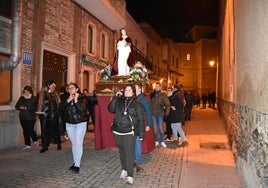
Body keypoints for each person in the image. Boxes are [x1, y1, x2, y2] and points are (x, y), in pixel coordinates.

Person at [108, 84, 145, 185]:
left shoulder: (136, 104)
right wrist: (115, 97)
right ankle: (124, 169)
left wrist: (141, 134)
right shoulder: (119, 100)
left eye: (129, 90)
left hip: (130, 131)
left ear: (133, 93)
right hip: (117, 130)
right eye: (126, 90)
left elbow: (141, 119)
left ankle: (130, 175)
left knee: (128, 153)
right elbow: (110, 109)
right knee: (122, 151)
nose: (127, 92)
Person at [60, 83, 88, 174]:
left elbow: (82, 110)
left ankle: (77, 165)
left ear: (76, 89)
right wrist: (68, 100)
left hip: (80, 123)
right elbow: (60, 108)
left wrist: (75, 101)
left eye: (72, 88)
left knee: (78, 143)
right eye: (69, 88)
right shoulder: (65, 98)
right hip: (69, 124)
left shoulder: (82, 97)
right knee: (74, 143)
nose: (70, 89)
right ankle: (76, 162)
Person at [36, 80, 61, 153]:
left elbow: (58, 104)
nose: (54, 87)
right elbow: (37, 103)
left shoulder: (55, 94)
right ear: (48, 85)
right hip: (44, 114)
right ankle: (44, 146)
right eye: (52, 85)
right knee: (44, 131)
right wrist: (40, 112)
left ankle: (58, 143)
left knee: (55, 130)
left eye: (54, 86)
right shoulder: (41, 94)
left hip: (53, 115)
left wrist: (57, 113)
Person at [134, 83, 152, 172]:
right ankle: (135, 161)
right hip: (134, 124)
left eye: (135, 88)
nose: (134, 90)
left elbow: (148, 112)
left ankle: (138, 163)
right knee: (134, 143)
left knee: (137, 144)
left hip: (140, 124)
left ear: (140, 89)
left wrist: (148, 124)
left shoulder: (143, 99)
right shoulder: (135, 98)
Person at [150, 83, 170, 148]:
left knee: (161, 128)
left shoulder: (163, 94)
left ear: (160, 87)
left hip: (160, 114)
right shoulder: (152, 94)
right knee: (155, 129)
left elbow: (167, 104)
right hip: (153, 114)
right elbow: (150, 104)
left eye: (158, 86)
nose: (157, 87)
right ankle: (156, 141)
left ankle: (162, 141)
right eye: (156, 86)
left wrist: (166, 113)